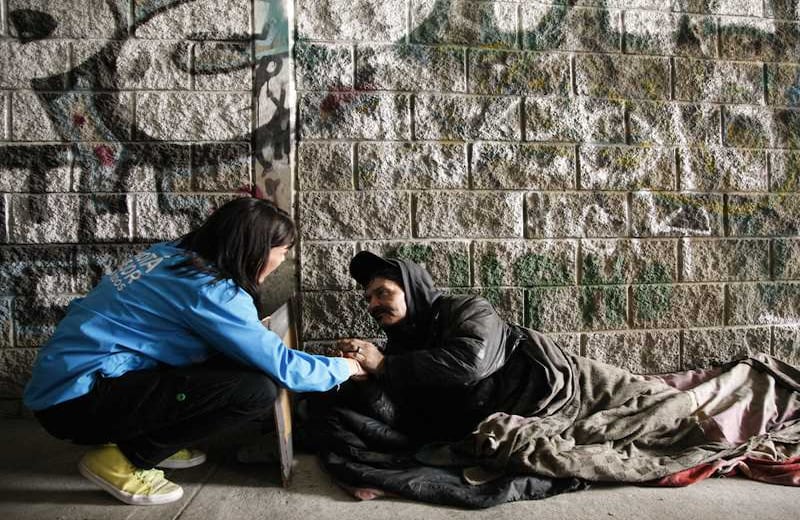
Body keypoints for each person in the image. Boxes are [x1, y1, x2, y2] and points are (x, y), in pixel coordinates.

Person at [326, 251, 800, 502]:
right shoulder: (405, 346)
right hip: (534, 413)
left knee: (668, 408)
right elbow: (421, 405)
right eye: (368, 299)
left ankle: (753, 397)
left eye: (383, 292)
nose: (375, 304)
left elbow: (470, 363)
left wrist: (384, 365)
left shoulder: (464, 309)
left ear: (410, 288)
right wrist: (370, 378)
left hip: (567, 382)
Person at [23, 197, 366, 506]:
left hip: (69, 383)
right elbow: (284, 368)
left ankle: (156, 438)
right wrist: (347, 367)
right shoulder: (210, 290)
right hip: (76, 403)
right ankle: (127, 459)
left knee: (232, 359)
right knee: (256, 390)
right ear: (256, 250)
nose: (283, 259)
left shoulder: (171, 255)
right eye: (283, 250)